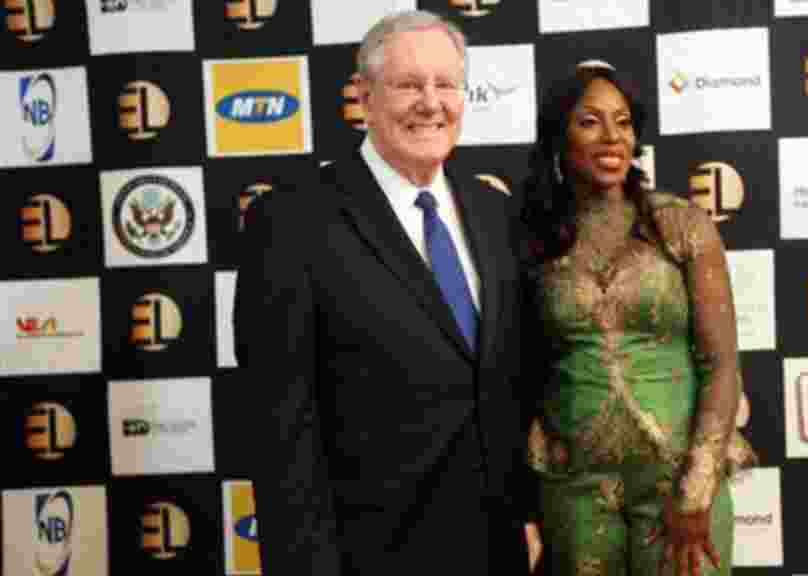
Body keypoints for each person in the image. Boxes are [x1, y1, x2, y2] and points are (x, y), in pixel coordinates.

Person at [233, 10, 535, 574]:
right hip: (368, 555)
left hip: (496, 551)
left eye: (446, 84)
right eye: (408, 85)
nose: (431, 102)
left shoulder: (495, 212)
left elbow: (507, 382)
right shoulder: (292, 221)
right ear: (364, 98)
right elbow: (279, 427)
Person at [519, 63, 757, 576]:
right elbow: (519, 365)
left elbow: (721, 363)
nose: (612, 138)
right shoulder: (532, 236)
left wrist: (696, 489)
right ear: (558, 136)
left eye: (623, 122)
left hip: (677, 483)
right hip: (573, 491)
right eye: (590, 122)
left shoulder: (679, 223)